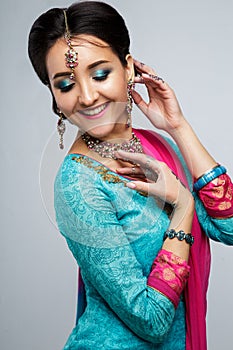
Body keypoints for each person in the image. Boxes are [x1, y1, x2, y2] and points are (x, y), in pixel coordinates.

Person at [28, 1, 233, 349]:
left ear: (128, 67)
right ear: (54, 97)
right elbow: (151, 319)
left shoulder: (156, 146)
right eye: (66, 84)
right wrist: (182, 207)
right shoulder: (79, 185)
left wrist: (178, 126)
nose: (88, 96)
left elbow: (229, 225)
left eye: (100, 74)